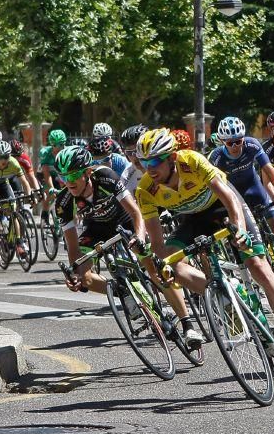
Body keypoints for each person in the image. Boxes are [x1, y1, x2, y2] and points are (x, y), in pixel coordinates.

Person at [134, 128, 274, 369]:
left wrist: (239, 230)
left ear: (172, 158)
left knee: (257, 265)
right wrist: (162, 265)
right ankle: (224, 293)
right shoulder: (145, 189)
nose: (149, 168)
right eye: (144, 162)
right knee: (172, 265)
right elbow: (157, 244)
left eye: (155, 161)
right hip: (193, 219)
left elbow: (229, 199)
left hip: (225, 207)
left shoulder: (191, 161)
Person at [55, 144, 204, 350]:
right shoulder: (63, 202)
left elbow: (136, 213)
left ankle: (187, 324)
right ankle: (122, 291)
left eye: (72, 177)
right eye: (63, 178)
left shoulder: (106, 177)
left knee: (154, 267)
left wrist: (139, 238)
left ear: (87, 172)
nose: (67, 182)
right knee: (84, 277)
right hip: (96, 230)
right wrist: (75, 272)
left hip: (124, 220)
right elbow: (73, 247)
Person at [210, 116, 274, 295]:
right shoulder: (216, 158)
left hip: (254, 189)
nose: (235, 146)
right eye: (230, 143)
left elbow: (269, 170)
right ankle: (256, 278)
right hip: (235, 198)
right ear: (222, 142)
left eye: (238, 141)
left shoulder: (252, 145)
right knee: (245, 241)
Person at [0, 141, 33, 257]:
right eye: (1, 157)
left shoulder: (14, 163)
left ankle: (19, 243)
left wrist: (29, 196)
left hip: (3, 184)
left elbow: (24, 182)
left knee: (13, 210)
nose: (4, 160)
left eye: (6, 156)